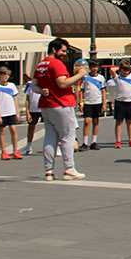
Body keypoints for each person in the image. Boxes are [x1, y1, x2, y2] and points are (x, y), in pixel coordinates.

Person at [34, 38, 86, 181]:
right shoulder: (57, 64)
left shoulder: (41, 65)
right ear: (54, 49)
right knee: (67, 137)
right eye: (62, 51)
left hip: (46, 105)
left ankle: (48, 170)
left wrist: (42, 91)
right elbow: (62, 83)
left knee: (50, 138)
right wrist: (80, 75)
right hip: (61, 104)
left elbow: (34, 85)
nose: (64, 54)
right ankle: (69, 168)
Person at [0, 66, 21, 160]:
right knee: (2, 132)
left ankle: (15, 150)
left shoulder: (12, 85)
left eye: (7, 75)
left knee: (13, 130)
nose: (6, 77)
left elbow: (15, 99)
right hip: (2, 112)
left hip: (11, 111)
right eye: (4, 75)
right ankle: (3, 151)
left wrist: (17, 112)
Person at [110, 62, 131, 148]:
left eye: (127, 71)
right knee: (119, 122)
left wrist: (128, 67)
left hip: (130, 102)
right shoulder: (118, 78)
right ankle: (118, 140)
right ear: (120, 71)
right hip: (120, 102)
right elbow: (112, 70)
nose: (126, 72)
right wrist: (120, 68)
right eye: (124, 70)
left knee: (130, 122)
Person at [79, 60, 105, 151]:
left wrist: (104, 104)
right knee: (87, 121)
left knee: (96, 121)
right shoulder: (85, 77)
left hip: (97, 102)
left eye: (96, 67)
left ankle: (94, 142)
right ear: (89, 68)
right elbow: (81, 90)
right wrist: (81, 102)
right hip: (88, 102)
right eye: (93, 67)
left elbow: (103, 91)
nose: (94, 69)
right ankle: (85, 142)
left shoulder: (101, 78)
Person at [22, 74, 42, 155]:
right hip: (33, 109)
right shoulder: (30, 83)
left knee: (50, 127)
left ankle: (55, 147)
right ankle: (28, 147)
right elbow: (27, 99)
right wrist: (27, 111)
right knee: (31, 128)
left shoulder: (44, 82)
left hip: (43, 108)